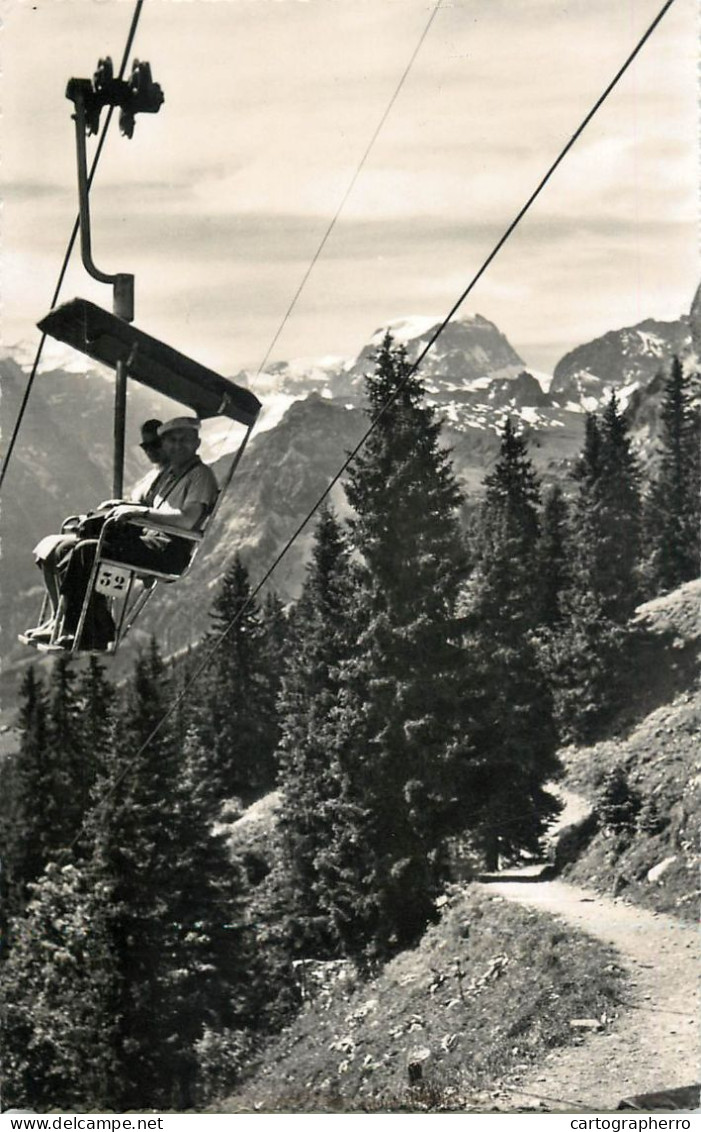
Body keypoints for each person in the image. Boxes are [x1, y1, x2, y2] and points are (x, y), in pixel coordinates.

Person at [49, 416, 218, 650]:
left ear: (197, 443)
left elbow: (187, 519)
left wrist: (141, 513)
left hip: (169, 550)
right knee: (79, 538)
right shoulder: (172, 474)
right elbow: (151, 506)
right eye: (172, 441)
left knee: (89, 550)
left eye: (185, 440)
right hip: (152, 539)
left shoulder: (201, 476)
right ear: (165, 445)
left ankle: (87, 632)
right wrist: (123, 507)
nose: (178, 446)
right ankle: (90, 623)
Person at [24, 418, 168, 645]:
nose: (150, 451)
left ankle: (72, 625)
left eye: (155, 445)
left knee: (80, 550)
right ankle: (57, 618)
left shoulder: (169, 477)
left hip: (135, 537)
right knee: (51, 546)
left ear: (167, 443)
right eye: (145, 446)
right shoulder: (150, 476)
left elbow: (151, 512)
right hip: (124, 529)